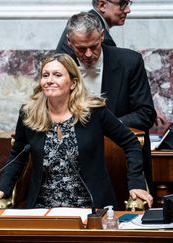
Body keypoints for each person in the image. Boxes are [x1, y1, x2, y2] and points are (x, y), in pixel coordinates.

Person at [0, 53, 153, 210]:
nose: (49, 80)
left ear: (73, 83)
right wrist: (2, 189)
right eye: (45, 75)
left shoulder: (93, 112)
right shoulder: (29, 114)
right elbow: (17, 156)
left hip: (90, 208)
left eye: (57, 75)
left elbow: (131, 143)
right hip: (43, 209)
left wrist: (136, 183)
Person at [56, 12, 156, 193]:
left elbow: (145, 114)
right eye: (80, 49)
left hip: (122, 159)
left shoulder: (129, 62)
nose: (88, 54)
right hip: (76, 167)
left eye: (94, 46)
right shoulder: (60, 69)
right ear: (69, 43)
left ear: (102, 36)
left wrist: (105, 126)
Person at [56, 0, 133, 55]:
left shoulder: (84, 21)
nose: (128, 10)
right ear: (102, 5)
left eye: (128, 3)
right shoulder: (103, 39)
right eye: (123, 3)